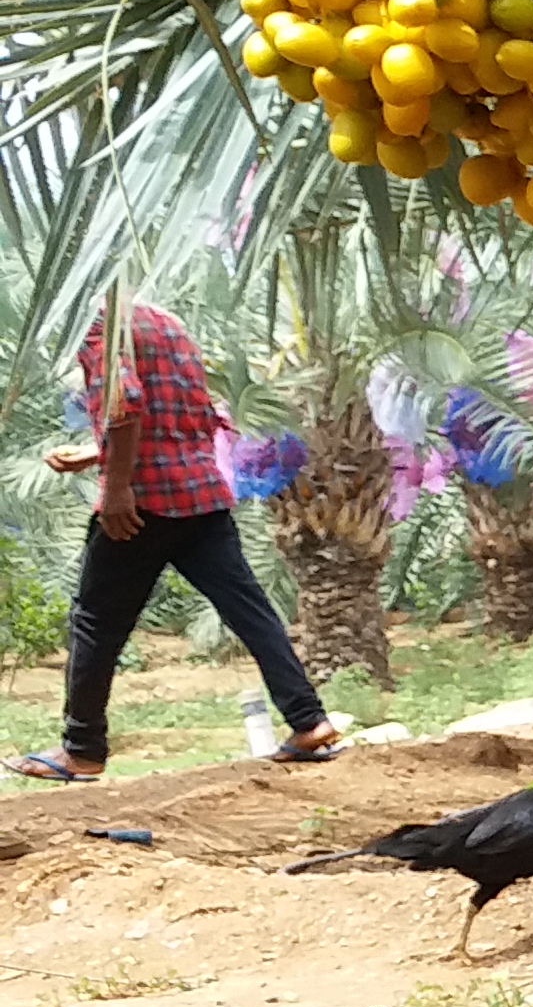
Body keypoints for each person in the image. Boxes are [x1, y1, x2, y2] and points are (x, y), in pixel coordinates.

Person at [14, 302, 340, 781]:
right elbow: (194, 414)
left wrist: (118, 486)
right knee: (249, 610)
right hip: (201, 492)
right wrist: (95, 454)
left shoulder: (100, 324)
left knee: (95, 622)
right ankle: (309, 720)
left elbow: (124, 403)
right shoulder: (165, 322)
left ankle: (81, 748)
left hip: (146, 501)